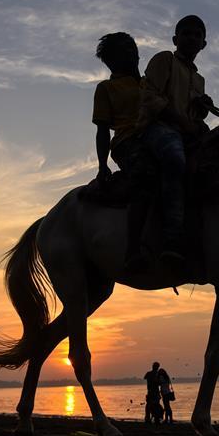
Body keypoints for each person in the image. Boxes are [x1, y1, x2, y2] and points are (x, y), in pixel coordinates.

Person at [137, 15, 212, 269]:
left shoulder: (199, 80)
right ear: (175, 39)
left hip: (186, 132)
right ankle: (171, 239)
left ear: (203, 44)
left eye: (196, 35)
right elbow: (150, 97)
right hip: (157, 128)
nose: (191, 38)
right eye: (186, 33)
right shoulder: (164, 60)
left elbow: (193, 114)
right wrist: (185, 123)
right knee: (174, 160)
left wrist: (201, 110)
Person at [91, 32, 153, 268]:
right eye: (123, 50)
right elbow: (102, 129)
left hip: (160, 136)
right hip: (128, 142)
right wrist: (101, 164)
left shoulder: (151, 82)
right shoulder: (107, 88)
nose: (131, 53)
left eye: (131, 48)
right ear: (112, 60)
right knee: (145, 175)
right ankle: (133, 249)